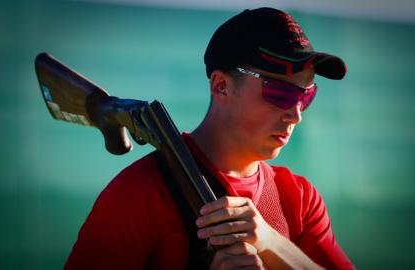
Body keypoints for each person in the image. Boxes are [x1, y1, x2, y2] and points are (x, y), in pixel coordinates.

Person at [65, 7, 355, 270]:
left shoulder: (300, 199)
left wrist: (271, 243)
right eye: (280, 93)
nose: (296, 114)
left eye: (306, 96)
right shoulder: (139, 191)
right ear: (221, 86)